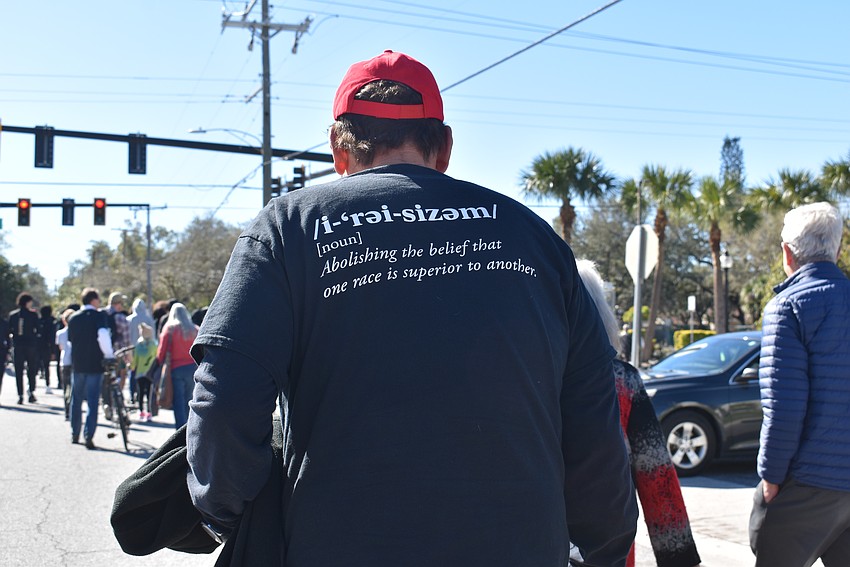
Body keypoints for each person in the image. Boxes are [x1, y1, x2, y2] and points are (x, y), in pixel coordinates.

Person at [186, 50, 637, 566]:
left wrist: (224, 511)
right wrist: (603, 546)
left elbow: (225, 398)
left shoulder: (289, 229)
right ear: (444, 148)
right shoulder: (536, 239)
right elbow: (594, 422)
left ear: (338, 148)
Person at [573, 260, 701, 567]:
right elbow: (656, 474)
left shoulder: (531, 382)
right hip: (611, 547)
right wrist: (678, 558)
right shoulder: (623, 382)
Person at [749, 202, 850, 567]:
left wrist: (770, 477)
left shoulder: (788, 306)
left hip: (808, 481)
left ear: (787, 253)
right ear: (837, 251)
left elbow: (784, 409)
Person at [67, 287, 115, 450]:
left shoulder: (73, 318)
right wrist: (109, 355)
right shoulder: (99, 316)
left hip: (78, 364)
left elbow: (70, 341)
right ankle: (89, 435)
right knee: (93, 401)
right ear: (93, 300)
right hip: (95, 364)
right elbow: (103, 336)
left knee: (76, 399)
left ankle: (75, 433)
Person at [156, 302, 198, 429]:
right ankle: (190, 430)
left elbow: (161, 352)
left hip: (175, 369)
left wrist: (159, 364)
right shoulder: (195, 330)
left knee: (178, 402)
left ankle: (180, 431)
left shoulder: (169, 329)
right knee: (189, 401)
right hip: (193, 369)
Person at [8, 292, 41, 404]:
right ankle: (31, 391)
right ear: (27, 302)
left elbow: (10, 330)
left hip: (18, 345)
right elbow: (38, 329)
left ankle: (20, 394)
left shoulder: (13, 315)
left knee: (18, 370)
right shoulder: (33, 315)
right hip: (31, 345)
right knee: (31, 369)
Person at [127, 297, 155, 403]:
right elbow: (153, 335)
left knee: (133, 372)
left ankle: (132, 395)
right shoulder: (149, 319)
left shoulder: (129, 319)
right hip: (148, 350)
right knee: (147, 373)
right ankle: (147, 397)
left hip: (133, 349)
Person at [131, 322, 157, 422]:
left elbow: (135, 359)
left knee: (140, 392)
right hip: (150, 373)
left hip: (140, 372)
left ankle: (141, 411)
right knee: (149, 393)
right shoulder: (154, 344)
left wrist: (132, 367)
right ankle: (149, 412)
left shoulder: (139, 344)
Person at [55, 308, 76, 420]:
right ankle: (73, 408)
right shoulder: (78, 332)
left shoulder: (60, 333)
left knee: (66, 387)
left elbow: (61, 347)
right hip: (75, 362)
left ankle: (67, 410)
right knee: (74, 387)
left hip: (64, 362)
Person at [37, 304, 58, 393]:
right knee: (46, 366)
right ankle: (47, 385)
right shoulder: (52, 322)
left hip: (37, 346)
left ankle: (30, 384)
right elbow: (52, 337)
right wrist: (53, 351)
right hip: (47, 346)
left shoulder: (38, 321)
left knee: (35, 365)